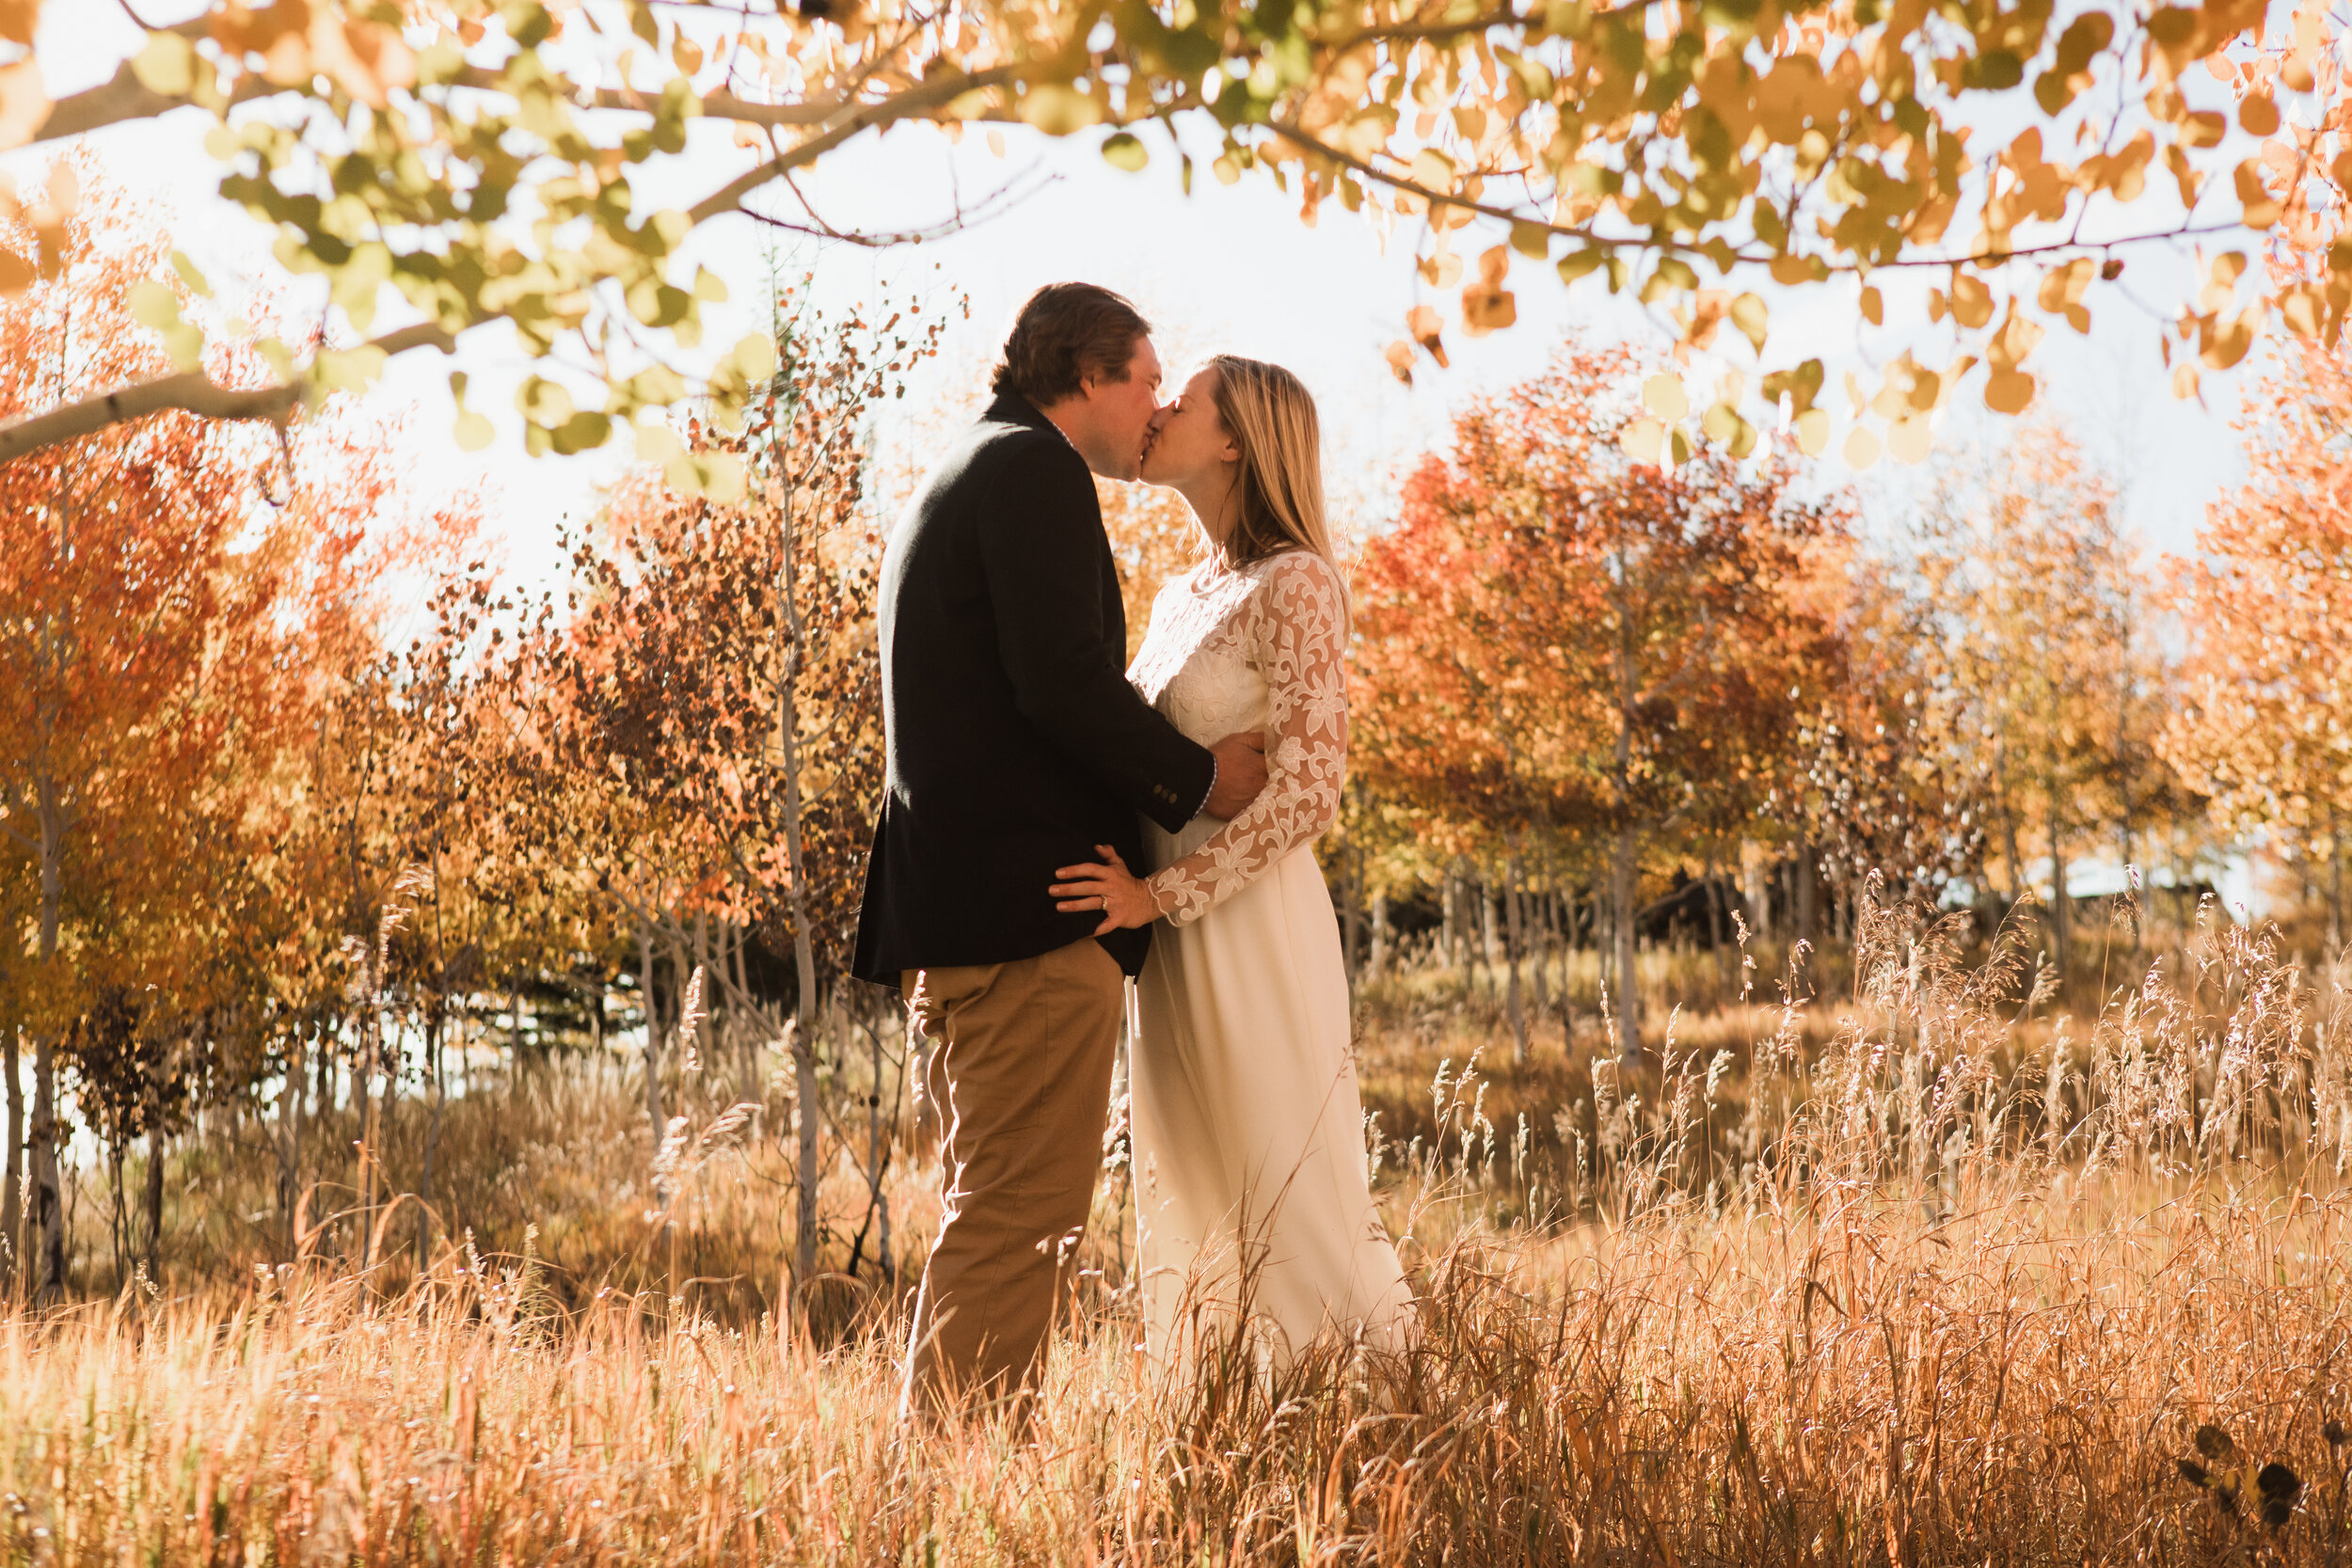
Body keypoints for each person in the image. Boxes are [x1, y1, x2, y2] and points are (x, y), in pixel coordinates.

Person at [850, 284, 1270, 1421]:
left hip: (971, 922)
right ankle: (948, 1494)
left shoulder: (968, 465)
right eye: (1146, 378)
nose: (1154, 406)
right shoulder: (1031, 470)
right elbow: (1059, 684)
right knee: (1015, 1220)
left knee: (997, 1210)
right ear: (1088, 376)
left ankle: (949, 1483)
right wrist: (1200, 779)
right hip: (1028, 927)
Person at [1048, 354, 1414, 1370]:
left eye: (1184, 398)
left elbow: (1308, 790)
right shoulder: (1176, 596)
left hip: (1247, 922)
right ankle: (1225, 1417)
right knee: (1192, 1172)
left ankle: (1368, 1406)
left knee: (1283, 1168)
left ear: (1234, 441)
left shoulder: (1297, 581)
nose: (1159, 409)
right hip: (1166, 937)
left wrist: (1159, 893)